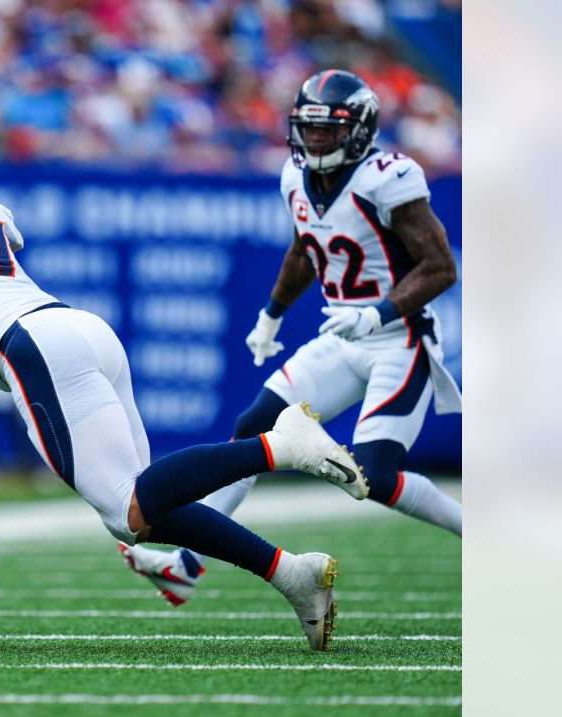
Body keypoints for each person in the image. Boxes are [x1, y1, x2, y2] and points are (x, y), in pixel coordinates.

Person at [0, 139, 370, 651]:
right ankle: (291, 573)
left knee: (129, 509)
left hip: (31, 348)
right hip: (81, 328)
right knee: (148, 504)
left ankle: (278, 445)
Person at [120, 70, 463, 608]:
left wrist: (378, 313)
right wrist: (272, 316)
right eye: (309, 128)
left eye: (329, 130)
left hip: (400, 339)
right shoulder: (295, 178)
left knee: (377, 474)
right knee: (252, 427)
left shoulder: (387, 177)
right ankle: (188, 565)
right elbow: (305, 248)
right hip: (343, 337)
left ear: (360, 130)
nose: (316, 140)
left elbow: (440, 267)